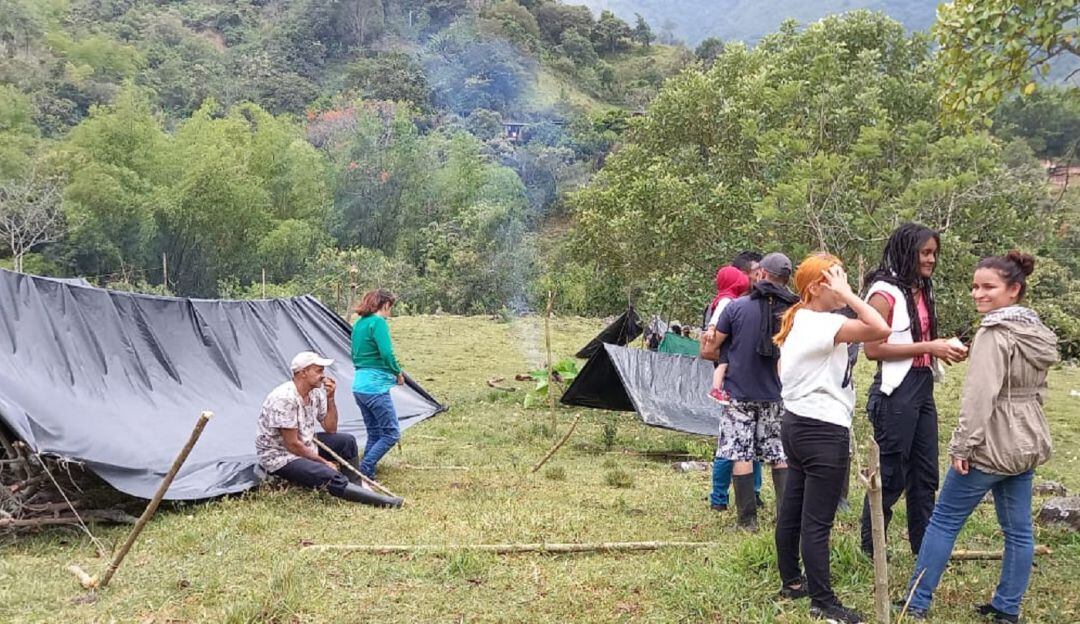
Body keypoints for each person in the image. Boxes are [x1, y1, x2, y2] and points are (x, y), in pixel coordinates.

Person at [903, 252, 1058, 623]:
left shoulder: (995, 332)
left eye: (988, 287)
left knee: (943, 521)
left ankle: (917, 602)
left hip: (990, 442)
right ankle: (1008, 607)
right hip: (1027, 439)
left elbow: (979, 397)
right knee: (1018, 530)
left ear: (1014, 290)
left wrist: (962, 445)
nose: (978, 294)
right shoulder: (1035, 330)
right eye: (975, 286)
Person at [773, 254, 890, 624]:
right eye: (834, 278)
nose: (841, 284)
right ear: (815, 288)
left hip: (795, 424)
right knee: (816, 520)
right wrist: (850, 294)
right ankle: (823, 601)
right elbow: (880, 328)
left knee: (793, 506)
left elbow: (783, 369)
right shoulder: (821, 324)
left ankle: (792, 581)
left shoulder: (801, 322)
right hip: (822, 430)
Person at [859, 223, 968, 558]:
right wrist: (929, 346)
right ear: (907, 252)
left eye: (934, 253)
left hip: (922, 386)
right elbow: (873, 350)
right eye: (925, 253)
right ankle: (873, 547)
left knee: (924, 474)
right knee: (891, 474)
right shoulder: (883, 293)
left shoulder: (923, 289)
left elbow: (919, 343)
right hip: (896, 391)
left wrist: (941, 349)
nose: (931, 259)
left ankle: (924, 549)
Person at [710, 252, 797, 529]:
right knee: (779, 453)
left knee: (741, 453)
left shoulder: (736, 308)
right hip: (778, 394)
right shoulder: (795, 313)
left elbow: (710, 347)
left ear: (760, 275)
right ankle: (786, 518)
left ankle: (747, 521)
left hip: (739, 394)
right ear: (787, 279)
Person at [255, 351, 402, 507]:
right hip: (280, 455)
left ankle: (356, 485)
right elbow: (292, 444)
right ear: (303, 373)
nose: (323, 375)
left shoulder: (316, 393)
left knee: (347, 441)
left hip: (305, 443)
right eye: (318, 371)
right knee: (328, 474)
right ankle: (385, 503)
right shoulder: (284, 398)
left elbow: (330, 428)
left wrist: (331, 398)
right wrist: (323, 462)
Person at [702, 265, 754, 511]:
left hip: (737, 373)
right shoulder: (728, 303)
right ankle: (720, 498)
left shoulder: (730, 301)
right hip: (732, 374)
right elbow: (710, 339)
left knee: (743, 444)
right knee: (730, 444)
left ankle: (750, 495)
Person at [352, 288, 405, 480]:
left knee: (374, 432)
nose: (390, 312)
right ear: (385, 305)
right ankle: (365, 468)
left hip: (359, 385)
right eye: (390, 307)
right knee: (391, 433)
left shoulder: (359, 324)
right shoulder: (378, 322)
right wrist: (397, 372)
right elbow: (386, 353)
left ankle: (367, 472)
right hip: (375, 387)